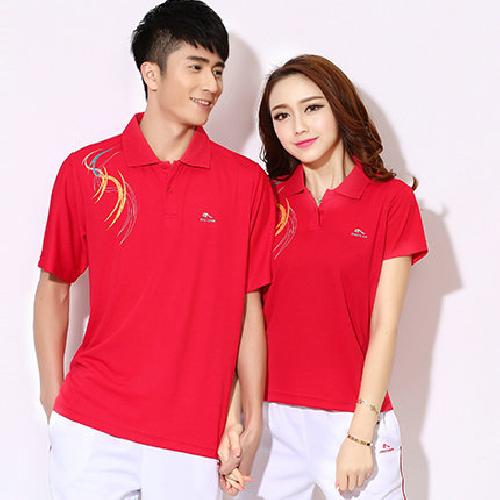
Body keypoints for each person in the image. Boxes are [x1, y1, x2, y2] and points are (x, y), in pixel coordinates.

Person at [33, 1, 274, 498]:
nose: (213, 85)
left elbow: (248, 308)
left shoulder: (246, 183)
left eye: (218, 70)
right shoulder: (87, 171)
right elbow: (54, 287)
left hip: (192, 437)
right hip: (91, 427)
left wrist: (251, 418)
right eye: (196, 67)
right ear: (152, 73)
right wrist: (53, 400)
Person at [222, 54, 428, 499]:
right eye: (282, 115)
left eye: (312, 107)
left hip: (352, 418)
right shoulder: (266, 200)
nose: (298, 126)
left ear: (339, 107)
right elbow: (243, 318)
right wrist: (233, 419)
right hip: (269, 420)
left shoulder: (391, 201)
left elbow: (384, 324)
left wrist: (360, 433)